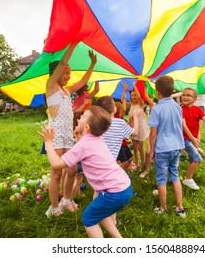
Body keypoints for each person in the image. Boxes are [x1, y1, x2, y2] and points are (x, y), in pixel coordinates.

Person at [38, 106, 133, 238]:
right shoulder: (97, 139)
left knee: (89, 219)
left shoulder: (84, 145)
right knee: (100, 212)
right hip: (124, 187)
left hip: (113, 193)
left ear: (87, 128)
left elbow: (57, 163)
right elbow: (85, 147)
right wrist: (78, 136)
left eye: (83, 116)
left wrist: (48, 142)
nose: (79, 117)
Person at [45, 41, 97, 217]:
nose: (68, 75)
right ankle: (53, 208)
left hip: (68, 135)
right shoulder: (51, 88)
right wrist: (72, 46)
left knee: (73, 169)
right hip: (56, 136)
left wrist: (92, 65)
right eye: (65, 73)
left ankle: (66, 200)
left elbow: (83, 81)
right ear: (56, 73)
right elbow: (61, 63)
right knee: (57, 173)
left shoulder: (67, 91)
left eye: (69, 73)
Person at [147, 76, 186, 217]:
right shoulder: (177, 107)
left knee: (161, 179)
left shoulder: (156, 109)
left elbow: (153, 133)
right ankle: (180, 208)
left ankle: (164, 209)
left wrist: (151, 150)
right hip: (176, 147)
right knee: (175, 176)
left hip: (162, 149)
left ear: (158, 92)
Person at [97, 95, 138, 170]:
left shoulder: (97, 123)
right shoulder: (120, 123)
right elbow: (135, 132)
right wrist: (136, 117)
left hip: (99, 161)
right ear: (114, 109)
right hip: (112, 161)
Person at [128, 83, 149, 169]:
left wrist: (135, 85)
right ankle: (137, 164)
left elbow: (140, 97)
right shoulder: (131, 105)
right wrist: (125, 91)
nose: (133, 96)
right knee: (135, 148)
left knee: (140, 147)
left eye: (135, 95)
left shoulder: (141, 104)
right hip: (134, 128)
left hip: (141, 129)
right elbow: (122, 100)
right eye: (132, 95)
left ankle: (143, 164)